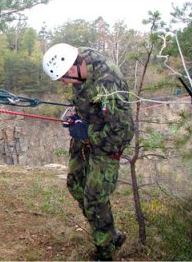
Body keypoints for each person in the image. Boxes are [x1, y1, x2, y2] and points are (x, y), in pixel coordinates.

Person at [42, 43, 134, 260]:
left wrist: (87, 132)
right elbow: (85, 101)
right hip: (89, 133)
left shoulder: (108, 83)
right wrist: (75, 117)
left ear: (73, 69)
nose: (64, 84)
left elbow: (121, 132)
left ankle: (105, 250)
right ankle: (109, 233)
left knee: (94, 197)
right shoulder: (80, 61)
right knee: (75, 184)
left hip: (108, 142)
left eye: (65, 78)